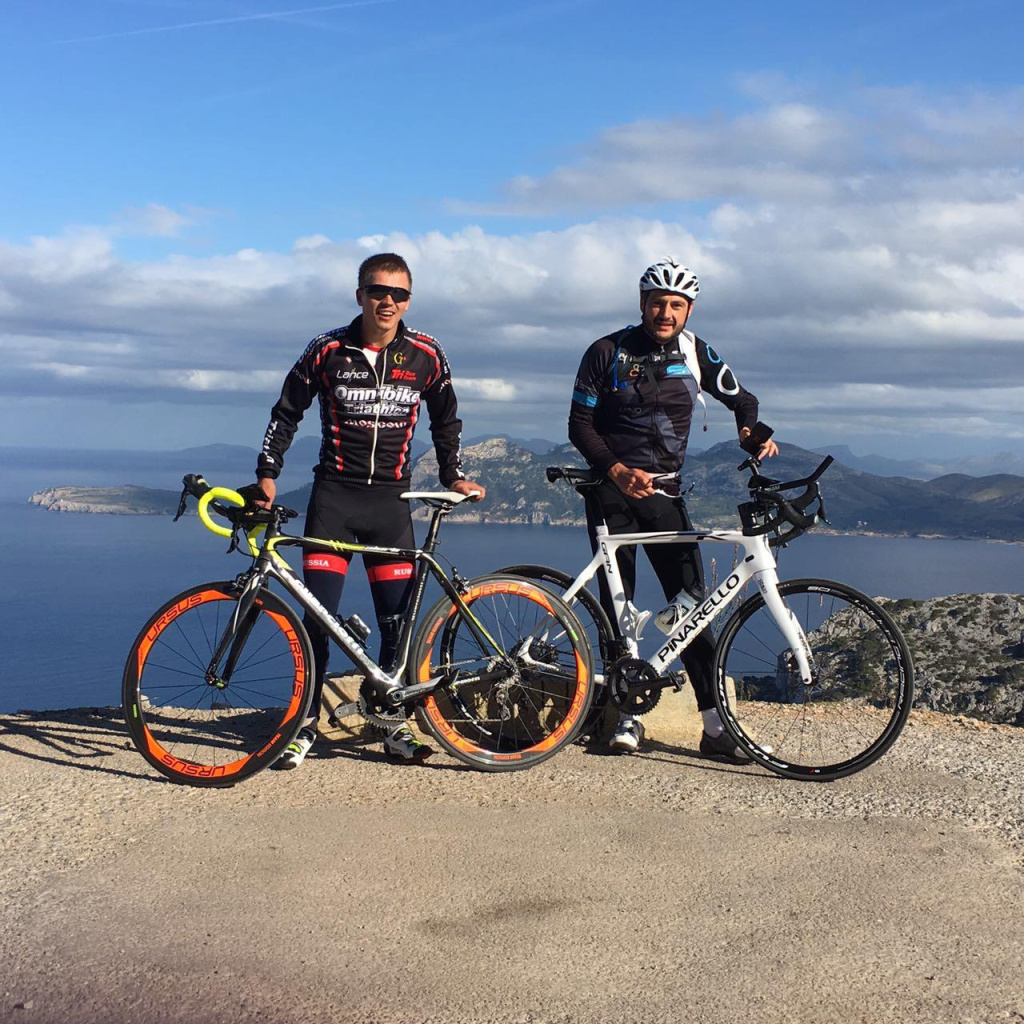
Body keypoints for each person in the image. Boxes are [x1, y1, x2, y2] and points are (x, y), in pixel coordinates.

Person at [254, 252, 486, 768]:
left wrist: (452, 475)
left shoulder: (426, 354)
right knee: (318, 621)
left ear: (409, 301)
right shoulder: (327, 349)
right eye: (378, 291)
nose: (388, 301)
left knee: (396, 624)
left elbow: (446, 419)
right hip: (333, 499)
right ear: (359, 295)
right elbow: (287, 411)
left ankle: (391, 723)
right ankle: (303, 724)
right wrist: (268, 473)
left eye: (399, 294)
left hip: (391, 503)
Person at [568, 258, 778, 761]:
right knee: (619, 610)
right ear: (642, 304)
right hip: (612, 493)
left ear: (689, 310)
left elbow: (743, 399)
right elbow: (579, 425)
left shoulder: (695, 351)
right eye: (657, 303)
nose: (666, 313)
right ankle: (625, 716)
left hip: (665, 495)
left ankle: (715, 728)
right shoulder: (606, 351)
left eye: (676, 305)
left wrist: (748, 431)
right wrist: (617, 470)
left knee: (692, 610)